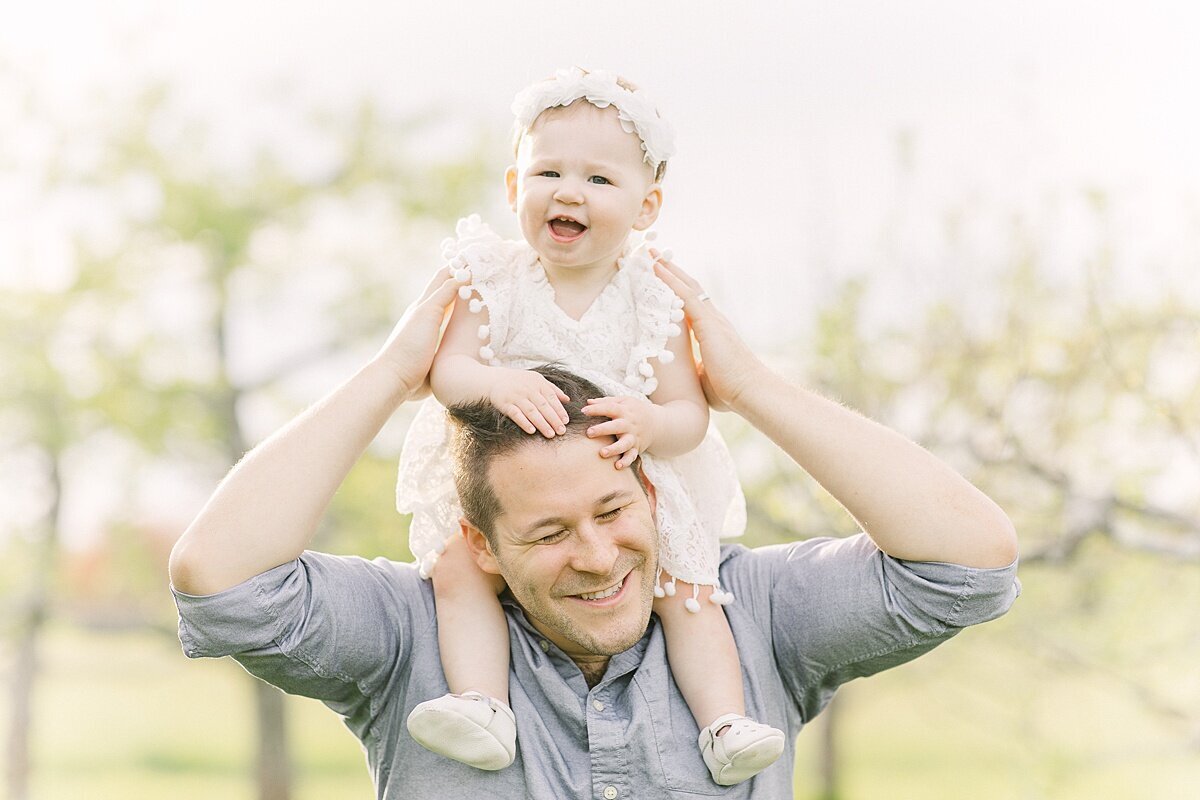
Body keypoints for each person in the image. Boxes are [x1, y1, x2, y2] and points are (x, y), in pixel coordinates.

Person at [168, 254, 1020, 799]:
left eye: (614, 509)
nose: (598, 554)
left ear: (652, 490)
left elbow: (970, 561)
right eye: (547, 534)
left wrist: (754, 388)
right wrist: (396, 373)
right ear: (480, 545)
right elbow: (218, 577)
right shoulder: (408, 635)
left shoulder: (748, 613)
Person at [394, 67, 782, 785]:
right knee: (460, 570)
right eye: (548, 171)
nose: (569, 191)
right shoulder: (493, 278)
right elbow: (447, 375)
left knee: (685, 587)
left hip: (623, 478)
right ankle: (483, 704)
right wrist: (496, 382)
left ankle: (724, 721)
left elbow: (689, 415)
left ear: (645, 206)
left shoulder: (650, 297)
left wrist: (647, 421)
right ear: (515, 189)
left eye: (600, 181)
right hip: (508, 480)